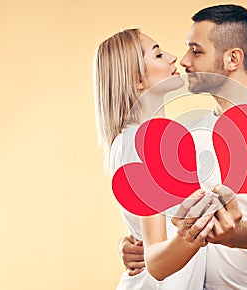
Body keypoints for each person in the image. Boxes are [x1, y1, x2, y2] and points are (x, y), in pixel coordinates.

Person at [120, 4, 247, 290]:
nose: (184, 61)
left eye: (196, 51)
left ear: (232, 58)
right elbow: (165, 221)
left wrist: (236, 234)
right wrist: (140, 244)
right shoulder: (187, 131)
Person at [93, 28, 219, 290]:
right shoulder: (144, 143)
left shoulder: (134, 140)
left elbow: (147, 232)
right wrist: (202, 226)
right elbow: (157, 260)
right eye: (158, 54)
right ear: (138, 78)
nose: (173, 58)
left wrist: (129, 242)